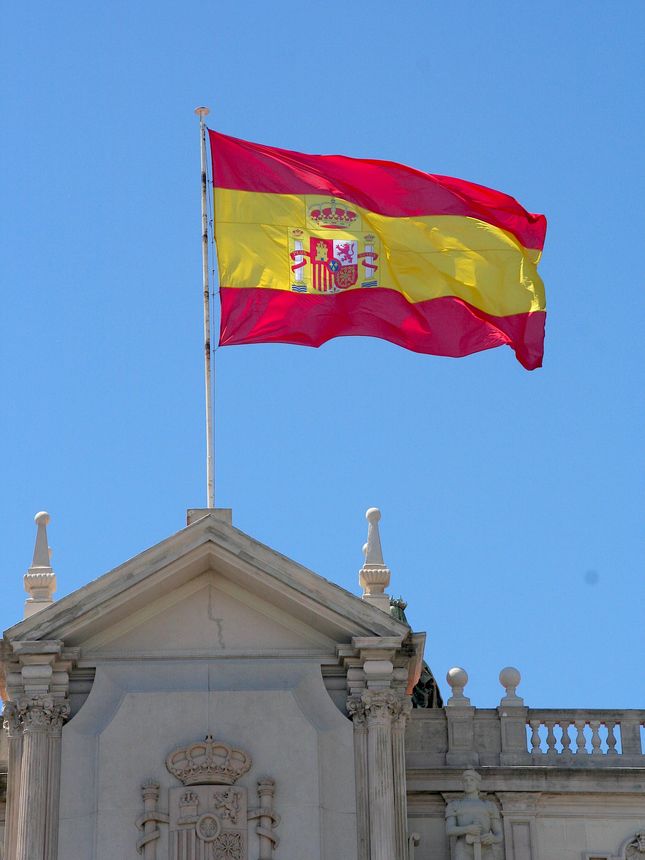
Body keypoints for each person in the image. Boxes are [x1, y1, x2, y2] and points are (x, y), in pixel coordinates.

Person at [445, 770, 503, 860]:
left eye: (472, 780)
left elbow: (499, 834)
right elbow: (449, 830)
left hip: (485, 848)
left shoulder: (489, 805)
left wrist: (493, 838)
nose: (468, 783)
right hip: (463, 848)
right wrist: (467, 829)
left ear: (477, 784)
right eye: (465, 780)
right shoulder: (454, 805)